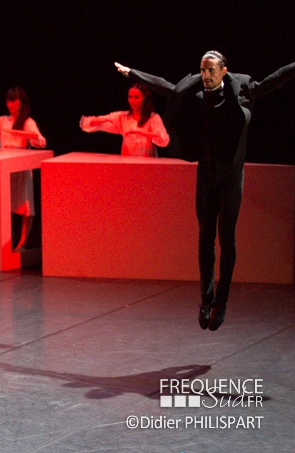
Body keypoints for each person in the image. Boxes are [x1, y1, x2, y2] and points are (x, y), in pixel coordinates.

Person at [115, 51, 295, 331]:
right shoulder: (198, 96)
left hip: (231, 177)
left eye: (211, 70)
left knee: (227, 240)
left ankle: (222, 302)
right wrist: (134, 73)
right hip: (207, 175)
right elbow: (166, 87)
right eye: (202, 70)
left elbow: (277, 79)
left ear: (224, 71)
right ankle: (206, 300)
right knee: (205, 240)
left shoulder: (242, 91)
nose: (206, 75)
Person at [0, 87, 47, 251]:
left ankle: (22, 243)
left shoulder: (28, 122)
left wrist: (31, 137)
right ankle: (1, 242)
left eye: (13, 100)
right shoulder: (1, 121)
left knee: (26, 206)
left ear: (21, 101)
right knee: (2, 205)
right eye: (7, 101)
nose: (9, 104)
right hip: (4, 168)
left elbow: (40, 140)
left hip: (21, 168)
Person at [79, 83, 169, 157]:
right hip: (127, 162)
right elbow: (97, 122)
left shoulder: (153, 117)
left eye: (136, 97)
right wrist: (99, 121)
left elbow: (163, 140)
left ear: (144, 99)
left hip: (147, 164)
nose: (132, 101)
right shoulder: (123, 117)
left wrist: (140, 132)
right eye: (130, 97)